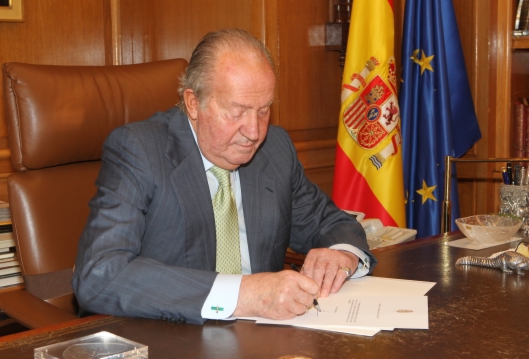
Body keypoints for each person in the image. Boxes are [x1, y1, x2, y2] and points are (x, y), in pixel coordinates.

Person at [72, 28, 376, 325]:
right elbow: (100, 274)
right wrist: (244, 294)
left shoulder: (275, 150)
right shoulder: (142, 151)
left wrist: (341, 255)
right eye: (237, 111)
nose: (254, 131)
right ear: (194, 103)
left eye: (263, 110)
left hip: (264, 338)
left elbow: (333, 224)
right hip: (173, 337)